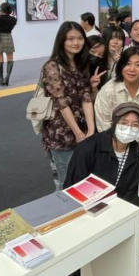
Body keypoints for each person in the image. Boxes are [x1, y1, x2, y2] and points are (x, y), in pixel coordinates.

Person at [59, 101, 139, 276]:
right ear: (114, 123)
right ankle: (71, 271)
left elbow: (133, 194)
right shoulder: (89, 148)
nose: (129, 129)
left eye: (135, 125)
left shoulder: (137, 154)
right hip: (85, 209)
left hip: (115, 209)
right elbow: (71, 189)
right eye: (124, 123)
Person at [40, 21, 95, 188]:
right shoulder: (52, 66)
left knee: (84, 177)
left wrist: (91, 130)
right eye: (70, 39)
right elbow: (61, 103)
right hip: (61, 133)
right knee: (66, 180)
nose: (76, 43)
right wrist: (78, 133)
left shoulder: (82, 64)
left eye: (80, 38)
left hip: (83, 129)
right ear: (61, 41)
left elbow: (86, 97)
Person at [94, 46, 139, 146]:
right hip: (113, 145)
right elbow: (103, 122)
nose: (132, 69)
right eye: (128, 64)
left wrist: (135, 137)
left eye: (138, 65)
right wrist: (120, 139)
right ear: (121, 66)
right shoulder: (108, 89)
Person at [0, 2, 17, 86]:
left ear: (2, 9)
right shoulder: (13, 19)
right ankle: (8, 77)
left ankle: (1, 79)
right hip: (8, 38)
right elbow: (11, 28)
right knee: (10, 58)